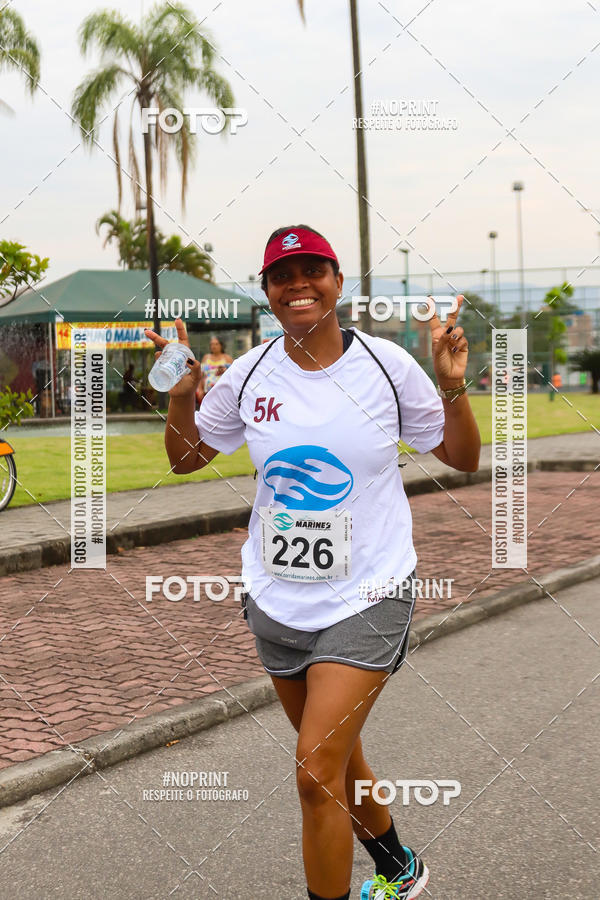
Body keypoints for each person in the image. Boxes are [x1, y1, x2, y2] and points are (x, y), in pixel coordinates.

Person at [145, 225, 480, 899]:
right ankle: (398, 868)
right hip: (276, 600)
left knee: (314, 770)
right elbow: (186, 458)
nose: (298, 284)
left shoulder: (387, 367)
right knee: (337, 756)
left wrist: (451, 386)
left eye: (312, 271)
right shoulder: (249, 373)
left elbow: (463, 457)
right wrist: (182, 393)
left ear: (337, 281)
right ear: (267, 291)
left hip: (370, 594)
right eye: (282, 275)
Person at [195, 335, 233, 407]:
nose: (213, 346)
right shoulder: (206, 357)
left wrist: (224, 370)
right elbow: (201, 375)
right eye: (212, 344)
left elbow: (232, 374)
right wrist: (200, 389)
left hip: (223, 392)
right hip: (206, 392)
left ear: (221, 345)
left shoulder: (227, 358)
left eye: (216, 344)